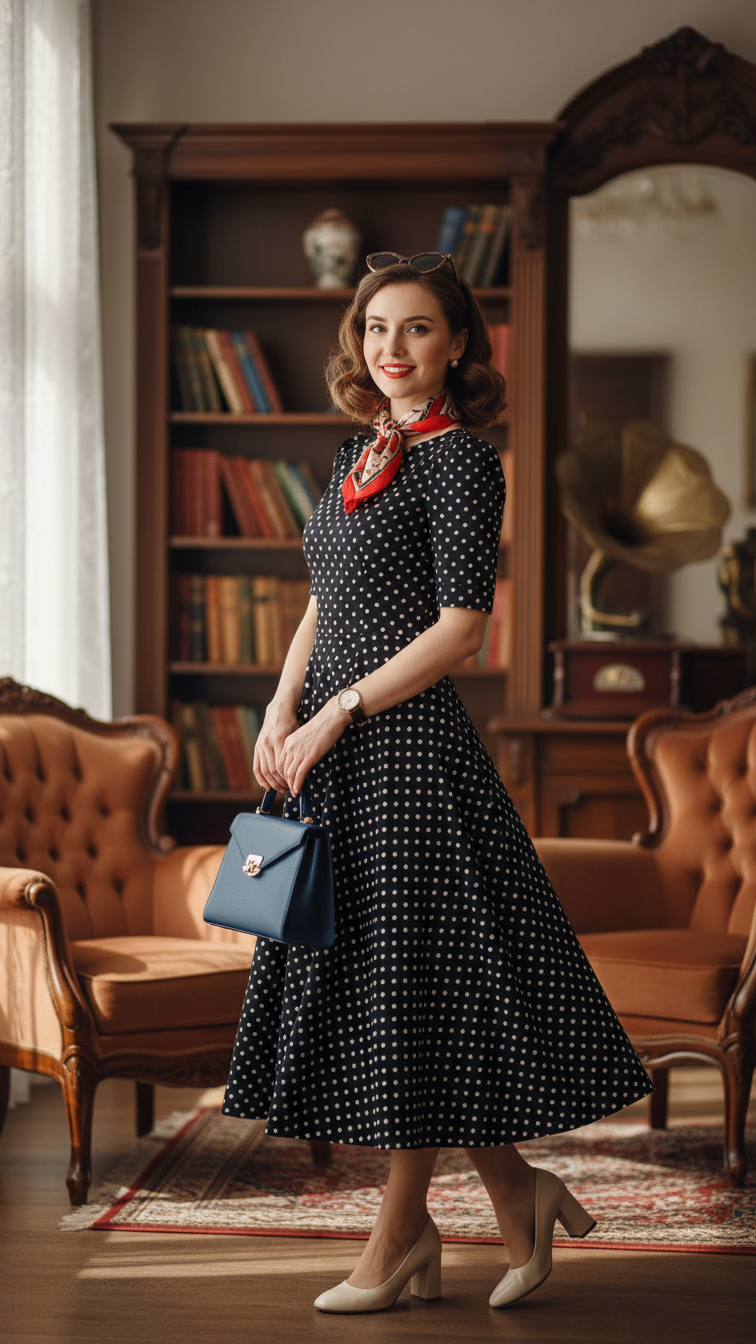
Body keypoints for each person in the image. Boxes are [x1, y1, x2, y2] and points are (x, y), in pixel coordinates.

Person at [222, 251, 652, 1314]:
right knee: (394, 982)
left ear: (457, 343)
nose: (392, 349)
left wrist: (334, 710)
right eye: (375, 329)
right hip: (328, 753)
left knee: (408, 985)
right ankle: (516, 1193)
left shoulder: (463, 462)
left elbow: (463, 627)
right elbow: (323, 598)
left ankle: (401, 1237)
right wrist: (281, 706)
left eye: (416, 329)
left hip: (407, 756)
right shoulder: (359, 450)